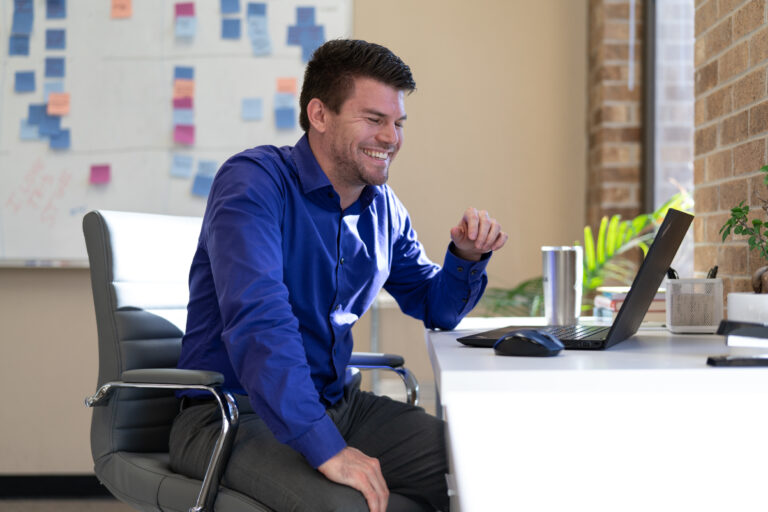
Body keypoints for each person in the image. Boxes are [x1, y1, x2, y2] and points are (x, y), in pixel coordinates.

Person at [169, 39, 508, 512]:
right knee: (346, 507)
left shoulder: (382, 208)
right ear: (319, 114)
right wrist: (324, 446)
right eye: (374, 120)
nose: (391, 137)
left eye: (397, 122)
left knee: (483, 468)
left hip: (340, 406)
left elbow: (437, 307)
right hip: (232, 416)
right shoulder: (254, 183)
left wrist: (467, 257)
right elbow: (260, 321)